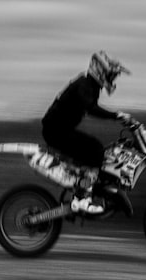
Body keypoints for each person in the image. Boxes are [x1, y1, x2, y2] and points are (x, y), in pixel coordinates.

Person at [41, 51, 132, 214]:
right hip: (55, 131)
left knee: (94, 150)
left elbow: (89, 107)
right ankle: (82, 198)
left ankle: (84, 187)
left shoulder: (91, 85)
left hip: (59, 130)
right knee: (95, 149)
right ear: (100, 71)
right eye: (111, 75)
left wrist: (116, 117)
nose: (112, 79)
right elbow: (90, 108)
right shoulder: (84, 84)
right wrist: (116, 115)